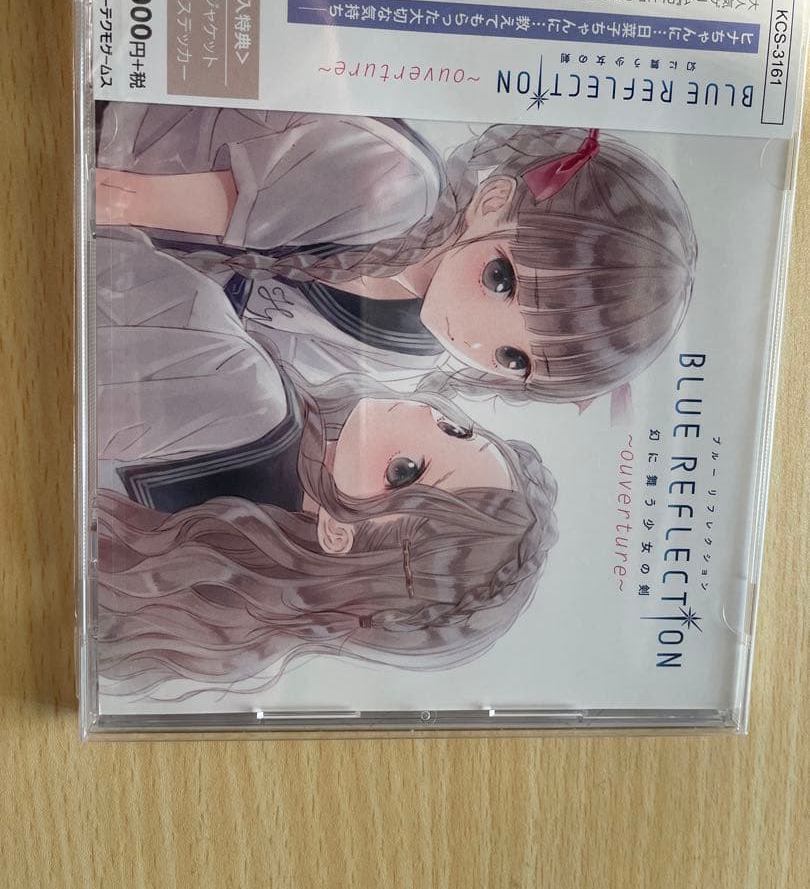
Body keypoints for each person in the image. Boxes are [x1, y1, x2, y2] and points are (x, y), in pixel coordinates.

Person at [94, 227, 559, 699]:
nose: (426, 416)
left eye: (404, 472)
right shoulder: (212, 619)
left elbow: (94, 266)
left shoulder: (248, 393)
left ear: (339, 534)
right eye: (456, 431)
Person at [96, 105, 698, 408]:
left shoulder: (405, 352)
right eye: (501, 280)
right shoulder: (399, 186)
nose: (474, 338)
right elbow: (128, 198)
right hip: (120, 149)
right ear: (494, 200)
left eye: (513, 358)